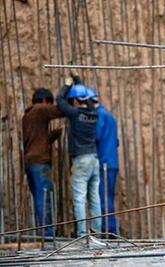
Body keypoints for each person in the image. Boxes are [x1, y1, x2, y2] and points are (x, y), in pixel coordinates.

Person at [56, 73, 102, 238]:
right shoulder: (94, 114)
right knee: (95, 198)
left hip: (81, 160)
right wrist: (78, 80)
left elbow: (59, 101)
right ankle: (96, 233)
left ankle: (83, 234)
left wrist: (68, 84)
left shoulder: (75, 114)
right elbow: (87, 99)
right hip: (94, 159)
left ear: (75, 101)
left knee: (80, 199)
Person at [23, 88, 64, 236]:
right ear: (45, 101)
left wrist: (52, 136)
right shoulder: (40, 109)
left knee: (39, 198)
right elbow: (61, 111)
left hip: (29, 162)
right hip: (40, 162)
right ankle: (46, 234)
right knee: (44, 198)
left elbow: (36, 140)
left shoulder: (27, 115)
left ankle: (43, 232)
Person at [87, 88, 119, 235]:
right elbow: (116, 141)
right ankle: (109, 230)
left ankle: (109, 231)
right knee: (108, 196)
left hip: (104, 163)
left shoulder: (99, 115)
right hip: (112, 162)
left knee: (103, 198)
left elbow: (96, 135)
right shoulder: (109, 115)